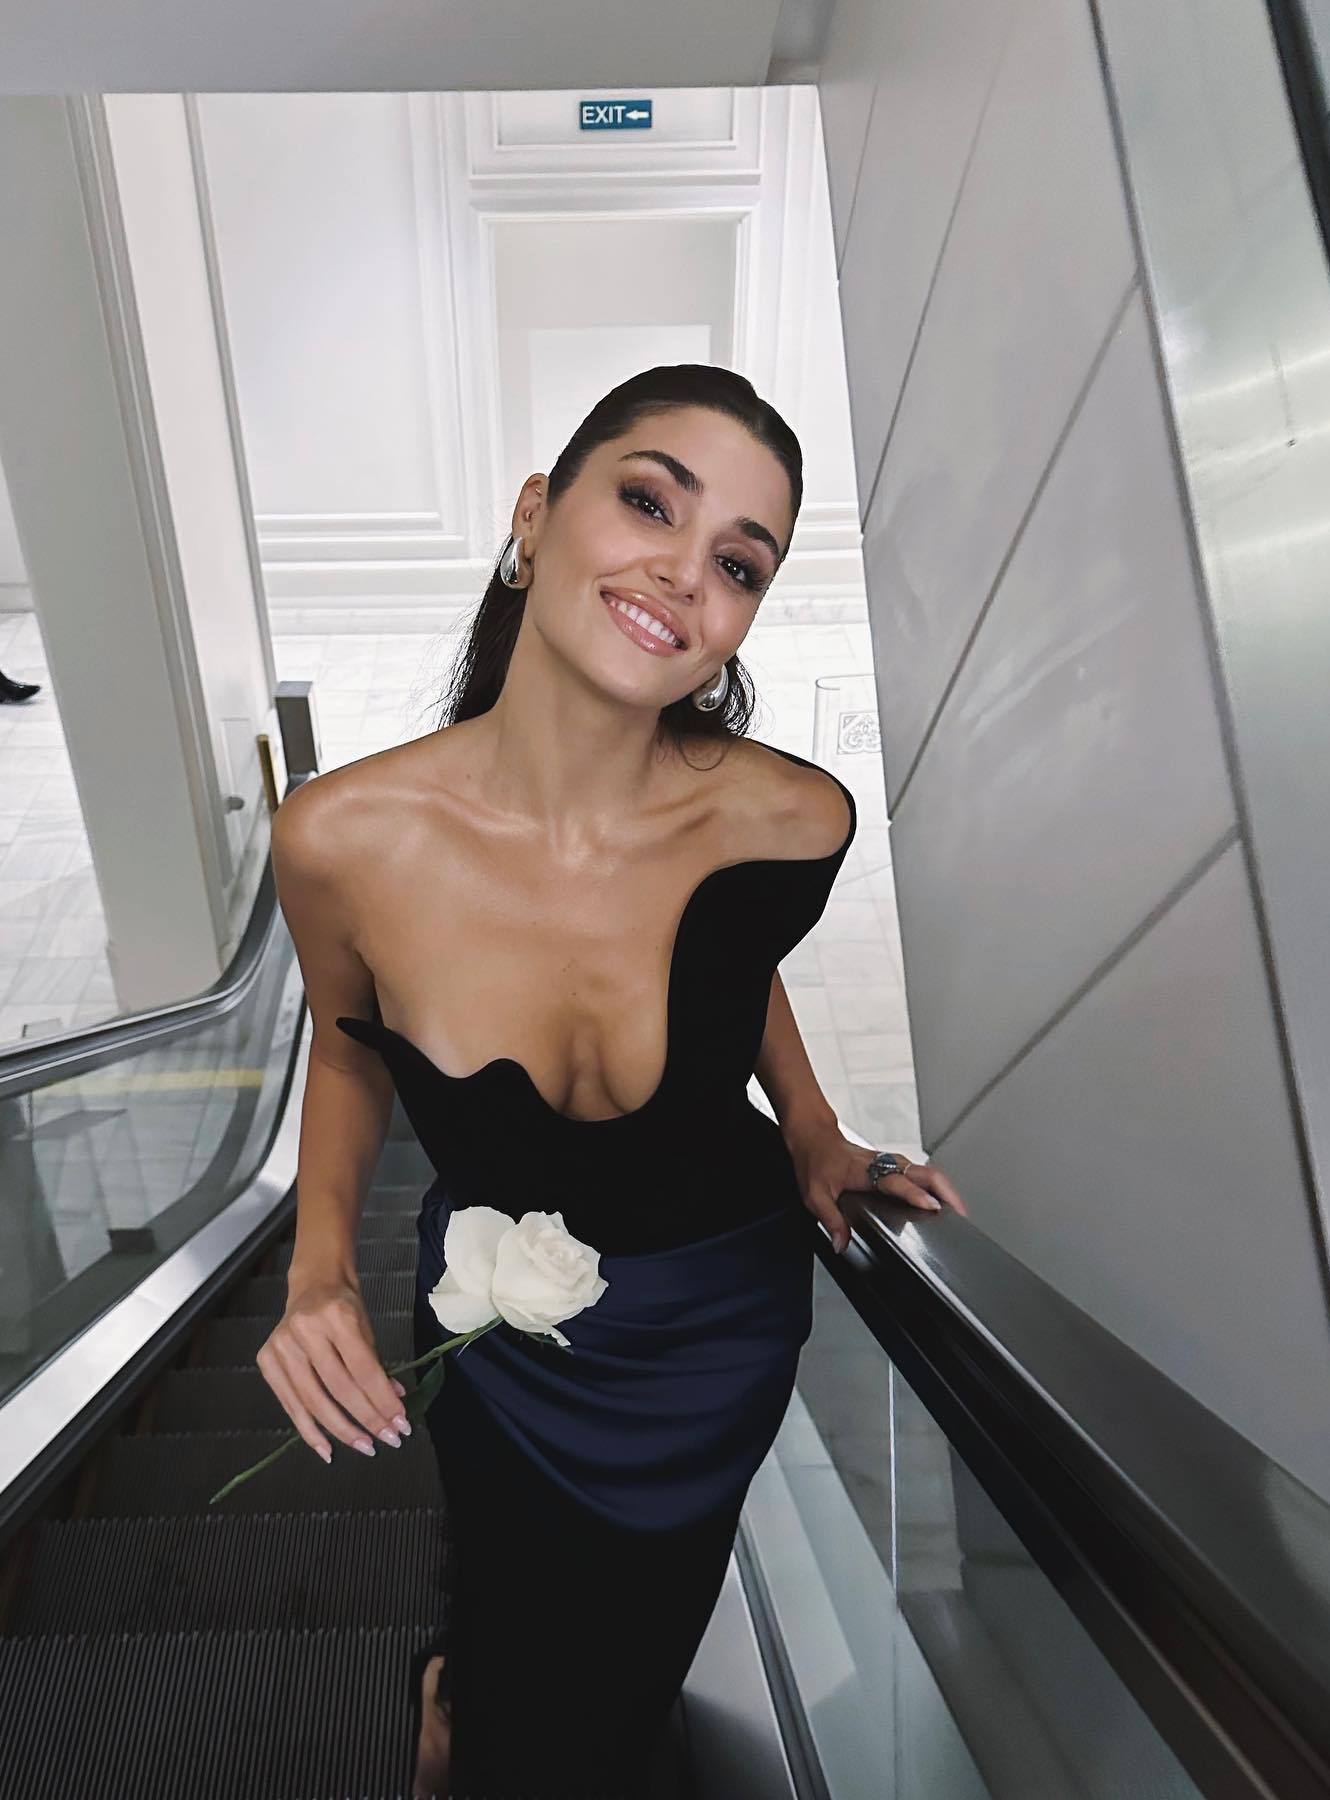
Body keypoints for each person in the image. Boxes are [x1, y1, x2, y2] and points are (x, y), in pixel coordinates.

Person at [260, 363, 966, 1799]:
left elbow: (729, 966)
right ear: (535, 516)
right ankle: (460, 1695)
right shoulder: (341, 839)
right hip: (501, 1347)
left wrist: (814, 1131)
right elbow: (345, 1042)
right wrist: (316, 1271)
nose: (685, 574)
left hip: (720, 1327)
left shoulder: (790, 817)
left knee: (644, 1638)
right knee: (508, 1600)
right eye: (650, 502)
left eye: (739, 564)